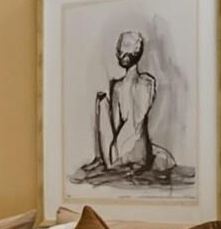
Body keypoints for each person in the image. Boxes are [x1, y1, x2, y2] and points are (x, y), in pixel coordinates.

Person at [76, 28, 179, 185]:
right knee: (142, 137)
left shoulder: (117, 87)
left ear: (119, 54)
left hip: (118, 156)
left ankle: (98, 158)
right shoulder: (149, 82)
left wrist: (103, 104)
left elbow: (116, 125)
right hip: (142, 153)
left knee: (101, 99)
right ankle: (107, 157)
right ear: (138, 54)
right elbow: (140, 117)